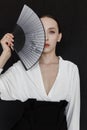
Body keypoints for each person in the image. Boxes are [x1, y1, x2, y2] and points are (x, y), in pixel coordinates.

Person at [0, 15, 80, 130]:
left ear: (59, 37)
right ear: (34, 37)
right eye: (41, 32)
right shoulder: (22, 69)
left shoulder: (70, 69)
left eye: (51, 32)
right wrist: (5, 55)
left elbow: (73, 115)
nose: (46, 37)